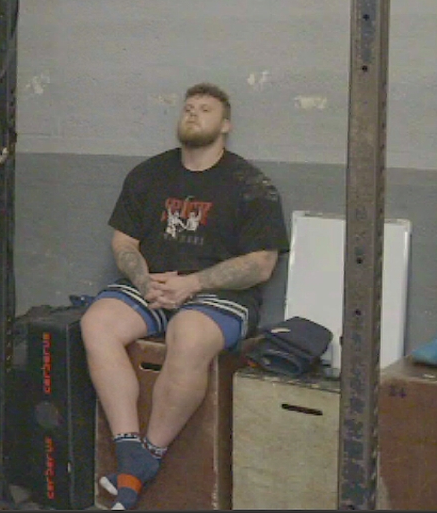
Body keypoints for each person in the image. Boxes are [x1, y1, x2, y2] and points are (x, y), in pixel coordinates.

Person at [80, 83, 288, 510]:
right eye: (188, 108)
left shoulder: (251, 184)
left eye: (206, 109)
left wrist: (193, 284)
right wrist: (144, 280)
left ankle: (149, 455)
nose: (193, 114)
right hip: (153, 284)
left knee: (189, 336)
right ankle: (129, 450)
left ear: (225, 125)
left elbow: (261, 264)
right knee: (96, 323)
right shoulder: (148, 174)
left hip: (218, 293)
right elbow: (123, 242)